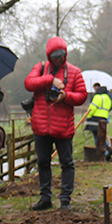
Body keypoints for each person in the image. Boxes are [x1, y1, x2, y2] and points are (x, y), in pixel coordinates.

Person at [24, 36, 87, 211]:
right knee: (43, 162)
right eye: (55, 56)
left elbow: (82, 96)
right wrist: (49, 80)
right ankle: (45, 198)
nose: (58, 59)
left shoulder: (74, 72)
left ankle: (65, 199)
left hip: (63, 127)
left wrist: (65, 96)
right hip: (41, 127)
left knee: (66, 163)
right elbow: (28, 83)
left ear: (65, 54)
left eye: (61, 55)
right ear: (49, 55)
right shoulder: (41, 68)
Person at [84, 82, 112, 161]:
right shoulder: (108, 98)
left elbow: (92, 108)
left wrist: (88, 116)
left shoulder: (98, 97)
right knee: (102, 135)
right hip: (104, 118)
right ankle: (107, 152)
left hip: (95, 118)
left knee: (96, 136)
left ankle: (105, 150)